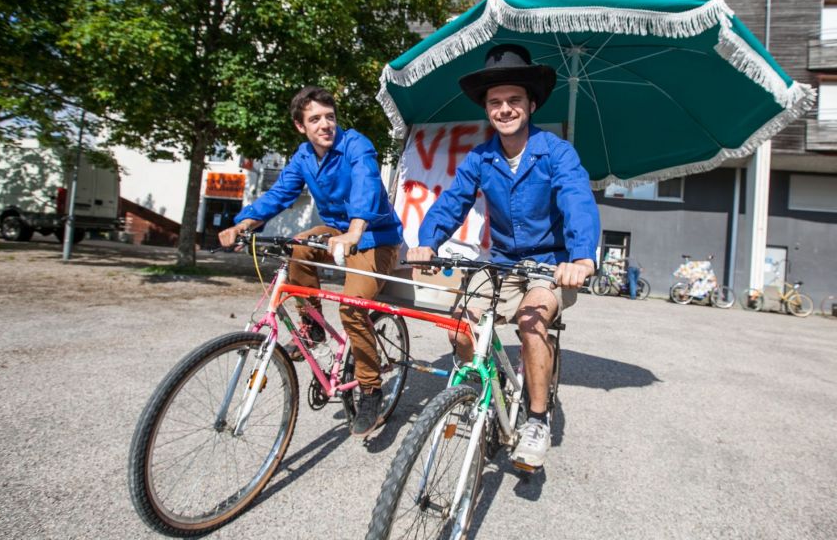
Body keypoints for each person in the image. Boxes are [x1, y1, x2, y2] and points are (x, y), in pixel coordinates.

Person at [407, 44, 600, 470]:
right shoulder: (480, 156)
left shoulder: (557, 152)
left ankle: (535, 418)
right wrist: (428, 241)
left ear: (531, 104)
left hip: (550, 265)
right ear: (487, 110)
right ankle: (483, 391)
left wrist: (582, 258)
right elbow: (451, 203)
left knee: (532, 323)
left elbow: (577, 201)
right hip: (501, 262)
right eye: (496, 102)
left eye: (514, 100)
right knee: (459, 329)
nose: (505, 109)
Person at [219, 86, 403, 438]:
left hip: (376, 236)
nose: (325, 124)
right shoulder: (304, 156)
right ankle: (312, 324)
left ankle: (371, 389)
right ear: (300, 126)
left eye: (329, 117)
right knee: (299, 245)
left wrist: (355, 230)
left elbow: (366, 182)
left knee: (352, 309)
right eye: (315, 119)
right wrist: (244, 223)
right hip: (336, 231)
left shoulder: (356, 145)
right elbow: (279, 194)